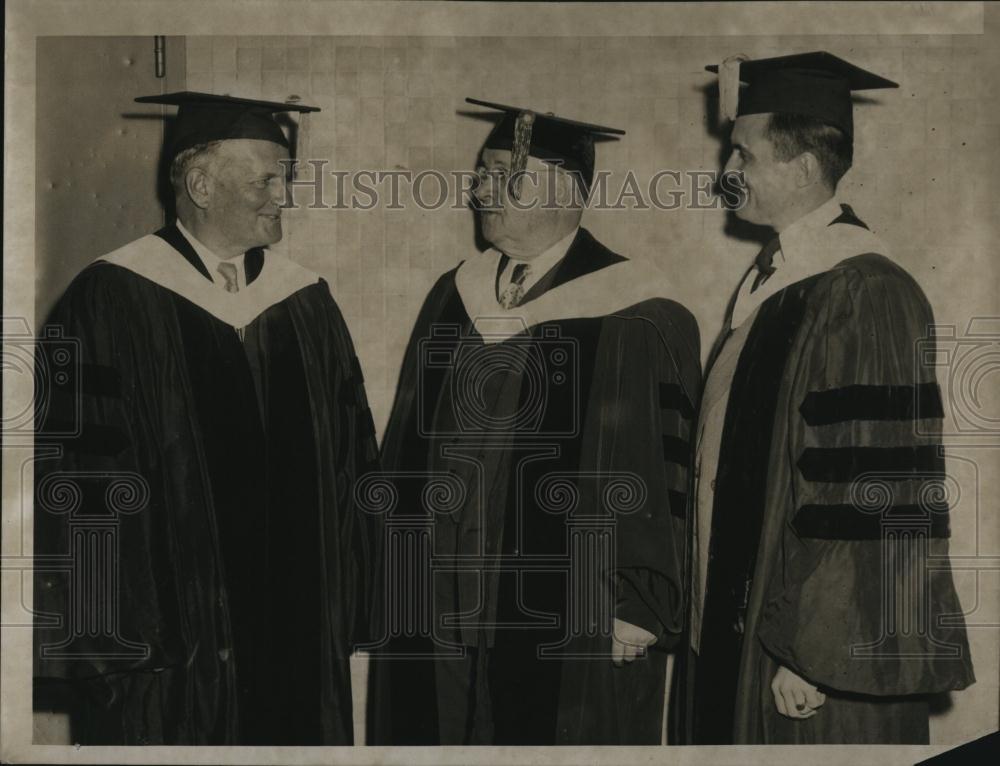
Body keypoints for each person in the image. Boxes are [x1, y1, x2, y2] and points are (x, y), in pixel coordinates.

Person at [33, 92, 379, 745]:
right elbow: (77, 482)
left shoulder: (306, 302)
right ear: (199, 183)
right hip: (169, 649)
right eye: (266, 179)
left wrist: (358, 602)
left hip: (298, 637)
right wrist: (109, 638)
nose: (284, 195)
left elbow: (351, 463)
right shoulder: (111, 298)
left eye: (286, 178)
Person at [366, 99, 701, 746]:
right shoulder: (454, 292)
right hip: (442, 600)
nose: (480, 191)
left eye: (504, 176)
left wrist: (638, 604)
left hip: (569, 608)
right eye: (482, 174)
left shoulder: (636, 312)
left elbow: (662, 470)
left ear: (567, 192)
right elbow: (408, 449)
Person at [674, 52, 975, 745]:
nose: (727, 173)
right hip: (748, 623)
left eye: (743, 156)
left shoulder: (862, 291)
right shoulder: (774, 286)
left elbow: (872, 487)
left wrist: (814, 650)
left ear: (803, 169)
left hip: (807, 656)